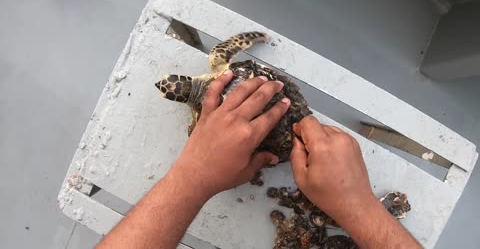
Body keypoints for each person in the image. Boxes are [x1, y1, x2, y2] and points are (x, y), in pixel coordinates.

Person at [97, 70, 421, 249]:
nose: (169, 88)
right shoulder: (220, 70)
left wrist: (193, 175)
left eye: (170, 88)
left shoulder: (202, 119)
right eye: (171, 89)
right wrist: (361, 209)